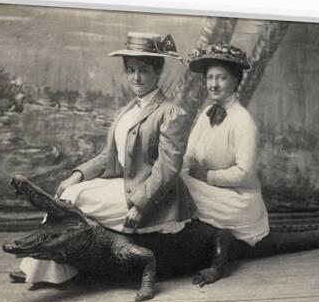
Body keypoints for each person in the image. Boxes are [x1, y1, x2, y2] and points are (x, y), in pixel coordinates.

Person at [10, 32, 194, 285]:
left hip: (155, 196)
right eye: (131, 71)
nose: (137, 78)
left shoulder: (170, 113)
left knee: (72, 199)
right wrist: (77, 174)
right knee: (67, 192)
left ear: (157, 72)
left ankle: (49, 270)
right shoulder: (127, 111)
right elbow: (110, 154)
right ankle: (44, 268)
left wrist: (141, 205)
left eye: (144, 70)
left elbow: (168, 168)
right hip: (124, 184)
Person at [182, 43, 269, 285]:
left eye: (221, 78)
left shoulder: (243, 122)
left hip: (238, 200)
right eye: (210, 77)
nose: (214, 84)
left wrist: (205, 176)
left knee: (180, 192)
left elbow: (244, 173)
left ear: (235, 81)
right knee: (173, 184)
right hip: (209, 191)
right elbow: (188, 155)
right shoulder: (208, 112)